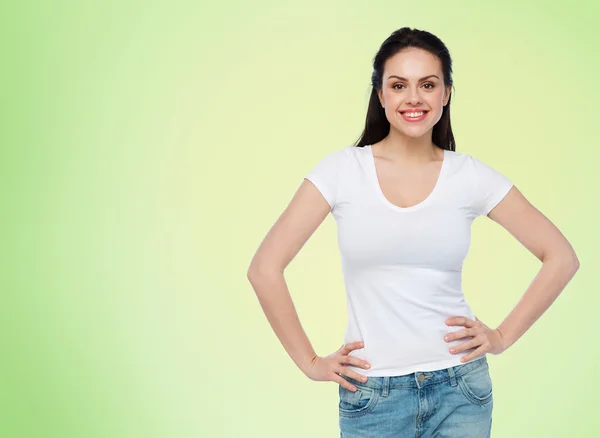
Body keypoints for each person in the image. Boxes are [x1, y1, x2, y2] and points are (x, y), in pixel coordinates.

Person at [247, 27, 579, 437]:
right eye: (398, 85)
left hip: (460, 389)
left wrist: (501, 336)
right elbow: (264, 268)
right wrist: (310, 363)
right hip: (372, 396)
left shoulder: (469, 176)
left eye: (428, 84)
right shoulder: (342, 172)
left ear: (446, 93)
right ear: (381, 94)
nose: (414, 98)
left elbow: (561, 256)